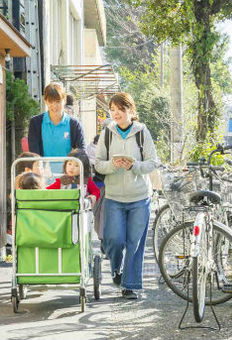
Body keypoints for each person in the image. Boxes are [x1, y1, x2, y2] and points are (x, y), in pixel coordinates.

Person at [94, 92, 158, 300]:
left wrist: (134, 166)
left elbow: (152, 163)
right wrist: (113, 165)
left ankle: (129, 286)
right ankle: (116, 269)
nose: (115, 113)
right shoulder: (107, 133)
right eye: (112, 110)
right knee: (113, 239)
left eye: (120, 109)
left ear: (130, 110)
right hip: (113, 197)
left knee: (134, 242)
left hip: (140, 197)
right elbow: (98, 164)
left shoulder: (142, 132)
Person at [27, 83, 85, 161]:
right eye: (50, 101)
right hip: (43, 171)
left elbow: (81, 152)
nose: (54, 106)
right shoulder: (35, 123)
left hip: (68, 172)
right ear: (45, 101)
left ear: (64, 100)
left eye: (58, 101)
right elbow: (34, 153)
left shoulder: (74, 124)